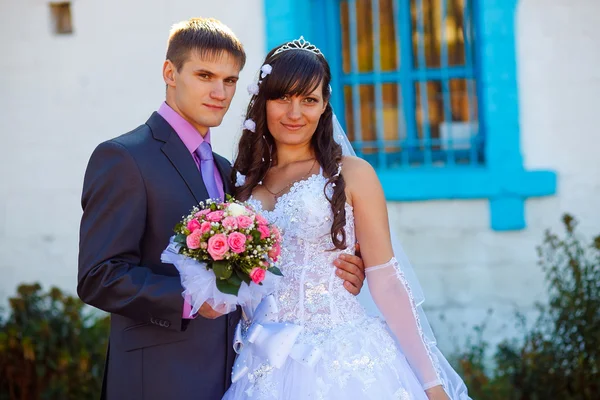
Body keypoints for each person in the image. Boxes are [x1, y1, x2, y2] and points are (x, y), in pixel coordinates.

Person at [77, 19, 365, 400]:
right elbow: (98, 276)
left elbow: (253, 262)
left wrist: (339, 269)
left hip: (236, 375)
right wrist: (190, 300)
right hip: (160, 379)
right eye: (204, 75)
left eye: (230, 80)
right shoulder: (124, 157)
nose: (219, 92)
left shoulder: (227, 169)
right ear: (170, 73)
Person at [224, 37, 471, 399]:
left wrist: (433, 384)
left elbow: (386, 281)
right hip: (261, 362)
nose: (295, 113)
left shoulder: (351, 174)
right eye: (282, 98)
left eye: (309, 99)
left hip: (343, 360)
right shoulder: (240, 184)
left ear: (324, 106)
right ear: (263, 102)